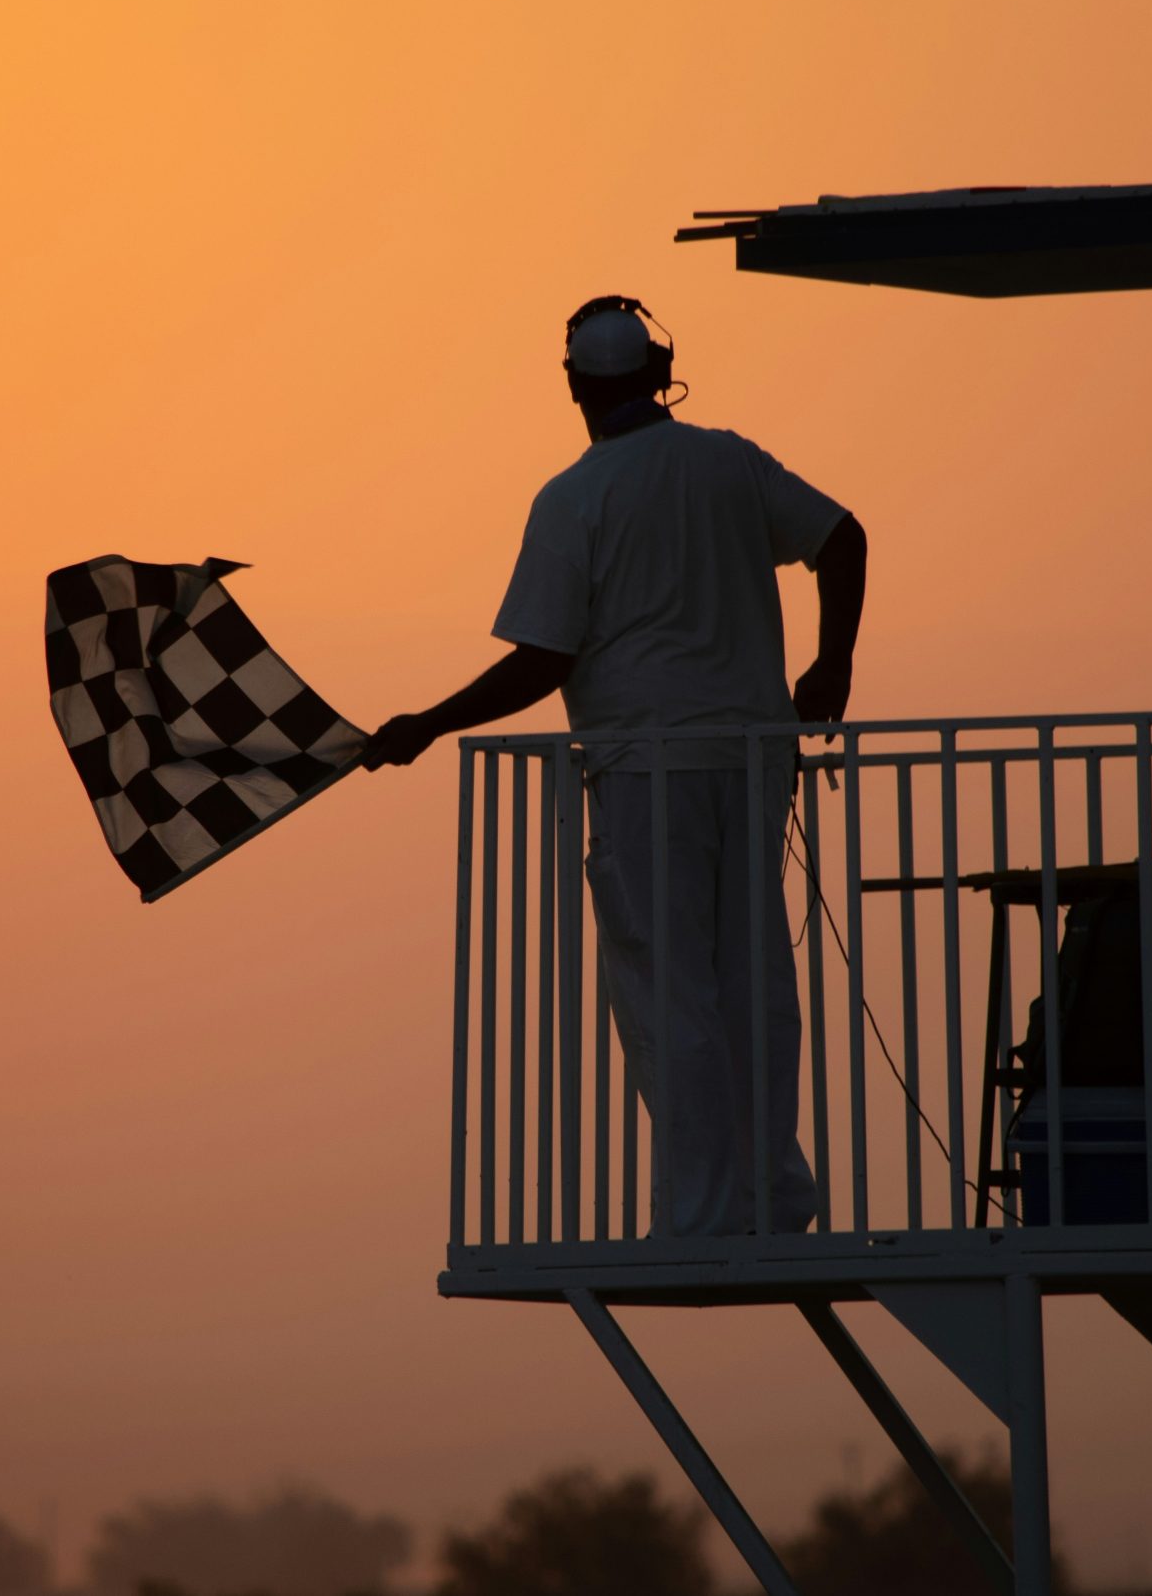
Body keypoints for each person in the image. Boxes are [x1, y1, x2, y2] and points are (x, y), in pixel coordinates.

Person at [363, 296, 866, 1237]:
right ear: (659, 366)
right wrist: (830, 665)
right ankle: (772, 1193)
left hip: (644, 772)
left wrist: (429, 723)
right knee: (754, 981)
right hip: (755, 761)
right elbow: (842, 538)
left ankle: (703, 1207)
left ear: (572, 386)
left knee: (669, 987)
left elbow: (544, 659)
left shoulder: (574, 500)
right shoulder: (731, 461)